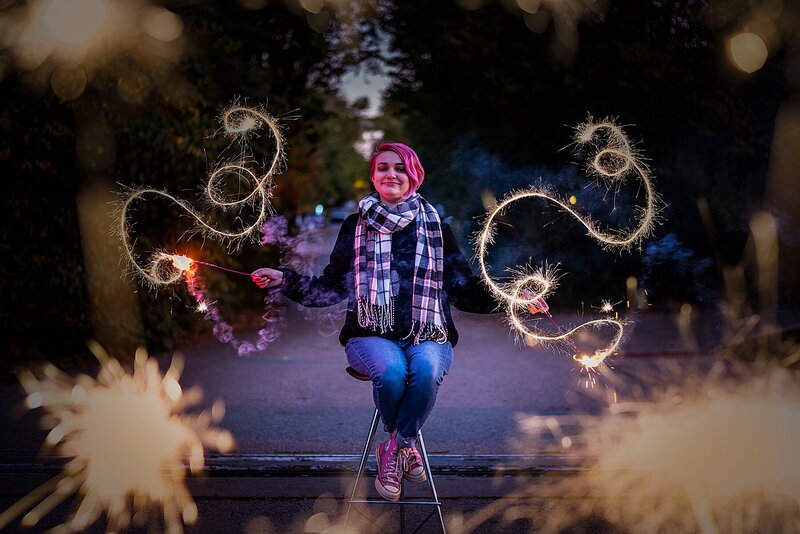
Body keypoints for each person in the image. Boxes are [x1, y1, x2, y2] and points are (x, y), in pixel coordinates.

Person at [251, 142, 546, 502]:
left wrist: (513, 297)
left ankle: (395, 447)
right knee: (392, 372)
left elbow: (463, 289)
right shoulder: (355, 226)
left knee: (423, 371)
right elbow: (331, 287)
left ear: (413, 175)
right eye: (382, 168)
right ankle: (404, 448)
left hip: (429, 333)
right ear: (374, 176)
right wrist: (285, 279)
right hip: (369, 335)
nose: (391, 174)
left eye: (399, 168)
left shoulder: (435, 225)